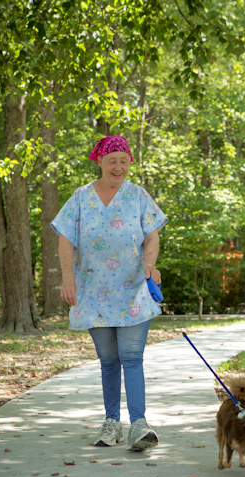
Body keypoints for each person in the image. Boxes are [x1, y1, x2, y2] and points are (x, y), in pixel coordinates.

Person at [50, 135, 167, 451]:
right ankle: (112, 423)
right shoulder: (80, 197)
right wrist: (67, 278)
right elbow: (65, 240)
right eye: (112, 160)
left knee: (132, 356)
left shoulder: (138, 196)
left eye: (124, 161)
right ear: (99, 161)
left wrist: (150, 264)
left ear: (130, 164)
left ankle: (139, 425)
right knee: (108, 360)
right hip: (93, 291)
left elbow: (152, 237)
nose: (118, 166)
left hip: (132, 290)